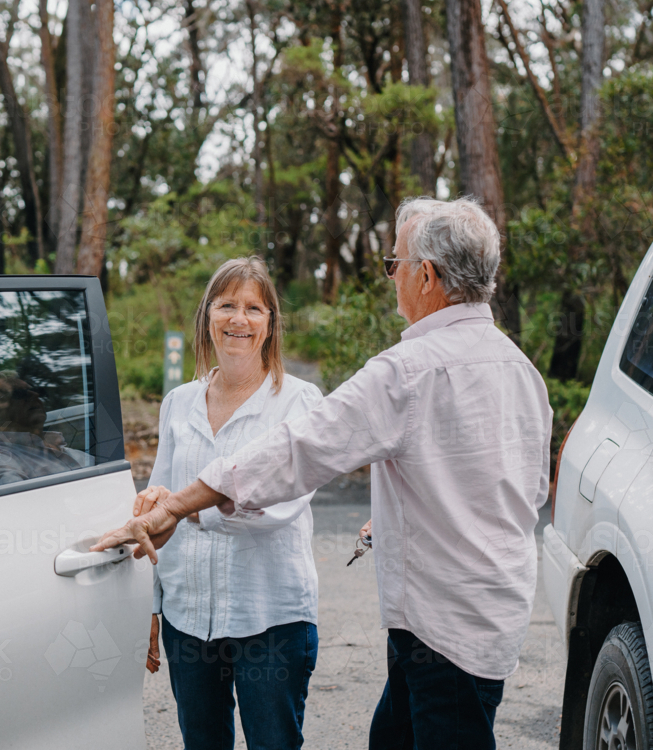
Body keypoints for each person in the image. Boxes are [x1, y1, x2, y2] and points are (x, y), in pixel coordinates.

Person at [95, 197, 553, 750]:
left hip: (441, 632)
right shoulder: (523, 372)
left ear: (427, 276)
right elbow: (518, 494)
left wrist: (176, 506)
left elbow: (297, 451)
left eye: (396, 265)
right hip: (484, 620)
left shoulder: (406, 371)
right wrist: (393, 526)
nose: (392, 279)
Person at [140, 257, 322, 750]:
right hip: (188, 616)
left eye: (253, 308)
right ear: (207, 317)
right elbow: (157, 506)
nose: (238, 319)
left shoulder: (299, 403)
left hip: (270, 618)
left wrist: (183, 508)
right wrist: (150, 606)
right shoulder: (178, 402)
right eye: (226, 306)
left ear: (270, 324)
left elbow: (276, 508)